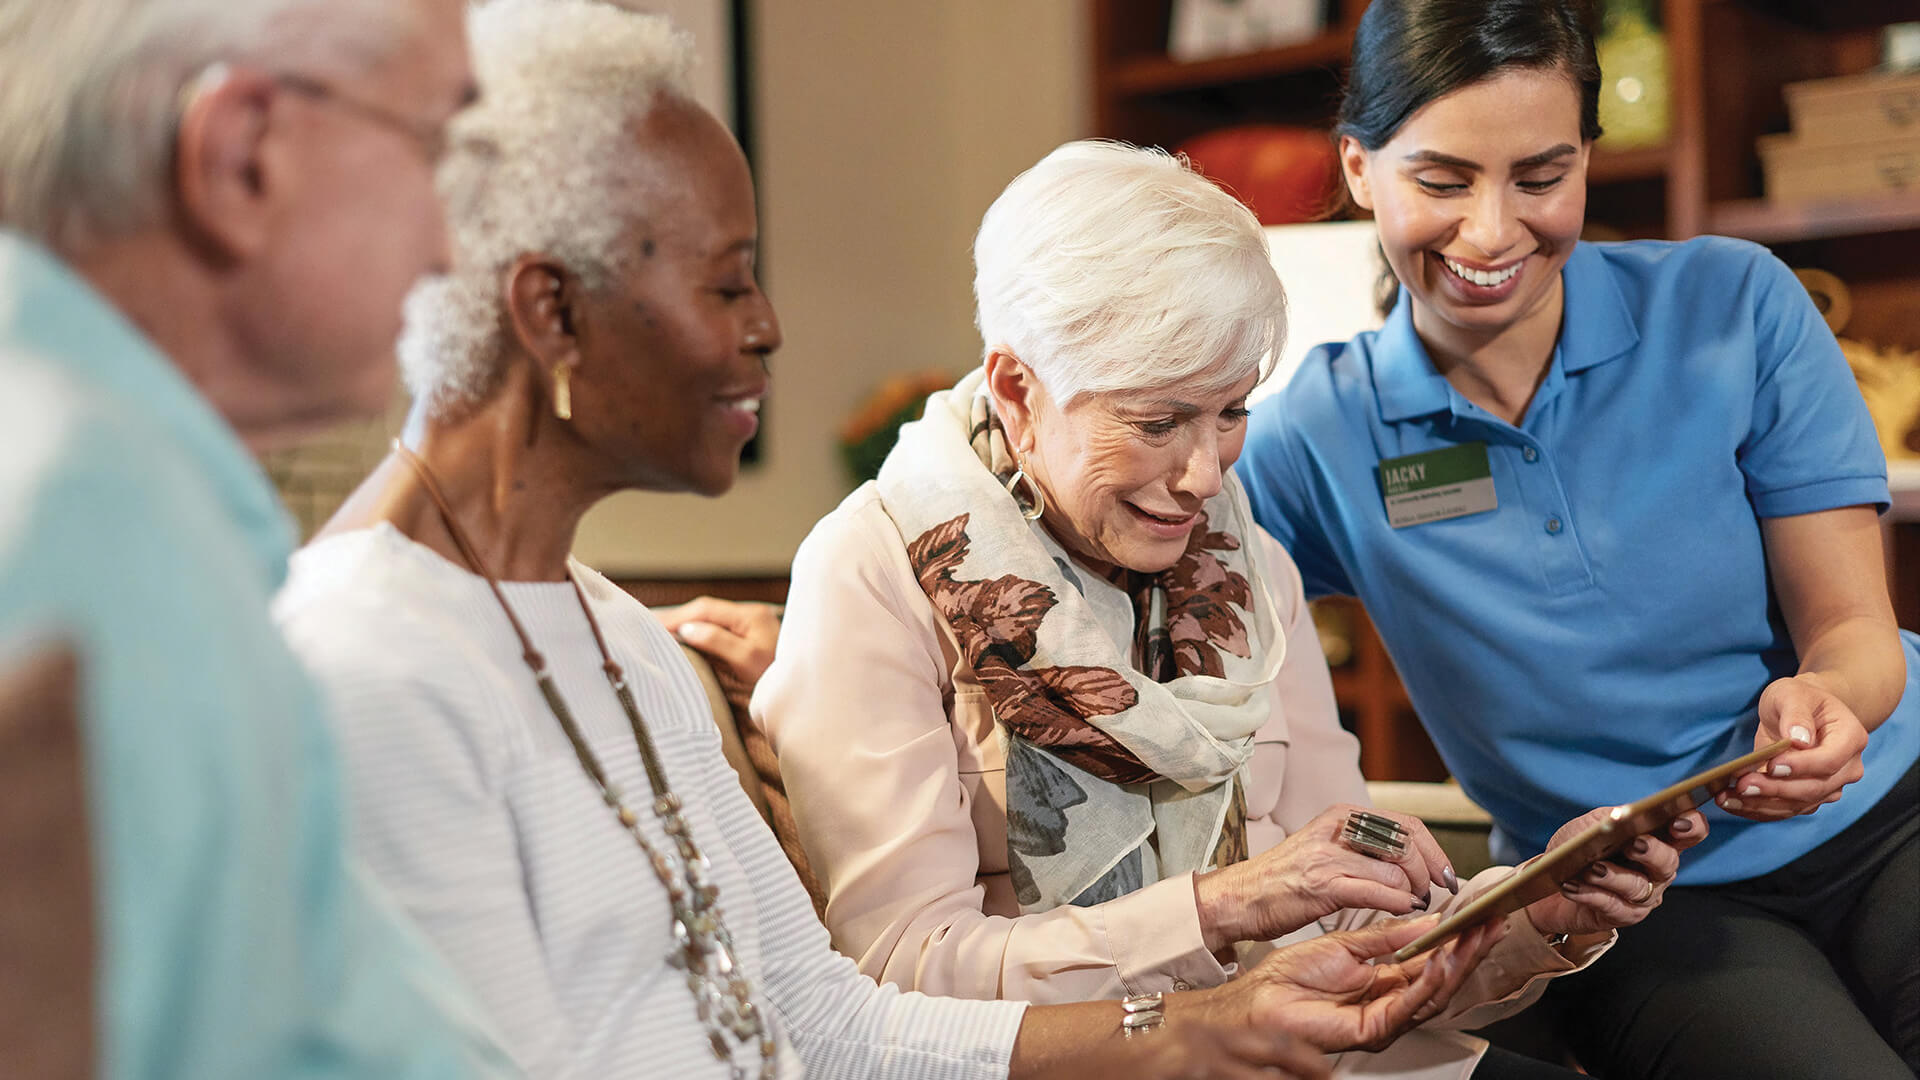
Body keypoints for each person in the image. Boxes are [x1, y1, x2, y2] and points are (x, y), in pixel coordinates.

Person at [272, 4, 1507, 1078]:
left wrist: (1204, 1031)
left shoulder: (611, 637)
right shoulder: (362, 665)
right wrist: (1194, 998)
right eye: (726, 281)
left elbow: (825, 1016)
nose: (768, 328)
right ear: (551, 309)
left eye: (1231, 413)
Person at [750, 138, 1705, 1080]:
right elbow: (897, 984)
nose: (1206, 478)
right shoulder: (870, 573)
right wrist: (1219, 908)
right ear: (1017, 389)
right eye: (1159, 421)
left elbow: (1354, 925)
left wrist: (1529, 916)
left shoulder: (1246, 565)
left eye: (1233, 412)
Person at [1232, 1, 1920, 1076]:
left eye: (1541, 178)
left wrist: (1833, 700)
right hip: (1634, 902)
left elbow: (1857, 633)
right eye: (1442, 181)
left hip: (1896, 812)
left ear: (1589, 159)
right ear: (1361, 170)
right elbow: (1143, 553)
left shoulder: (1735, 307)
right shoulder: (1314, 437)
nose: (1494, 232)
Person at [0, 1, 512, 1077]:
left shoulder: (132, 499)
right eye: (433, 146)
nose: (444, 245)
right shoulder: (84, 526)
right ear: (241, 158)